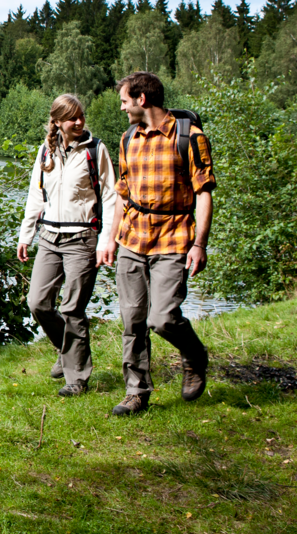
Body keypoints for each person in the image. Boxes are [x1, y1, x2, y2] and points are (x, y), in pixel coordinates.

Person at [101, 71, 215, 417]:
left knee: (163, 318)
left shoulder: (190, 137)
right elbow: (123, 194)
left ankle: (194, 355)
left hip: (174, 236)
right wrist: (110, 237)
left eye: (124, 101)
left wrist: (199, 244)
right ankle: (136, 392)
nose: (122, 108)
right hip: (133, 239)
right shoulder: (127, 139)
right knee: (132, 320)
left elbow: (204, 194)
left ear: (142, 99)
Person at [16, 94, 118, 398]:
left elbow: (111, 197)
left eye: (81, 116)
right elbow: (37, 196)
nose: (78, 122)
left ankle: (77, 378)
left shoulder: (95, 150)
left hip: (82, 239)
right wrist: (26, 235)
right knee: (37, 303)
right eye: (71, 118)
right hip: (49, 238)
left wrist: (106, 238)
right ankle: (65, 348)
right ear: (57, 122)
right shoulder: (45, 151)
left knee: (73, 307)